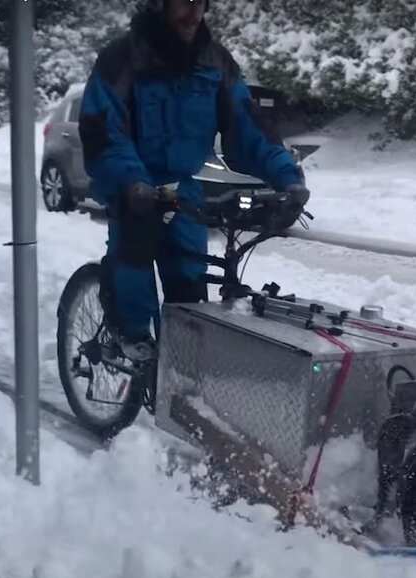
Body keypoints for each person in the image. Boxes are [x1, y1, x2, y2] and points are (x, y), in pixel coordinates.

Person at [78, 0, 310, 362]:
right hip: (131, 182)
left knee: (187, 272)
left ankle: (179, 359)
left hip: (174, 188)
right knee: (135, 250)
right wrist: (132, 181)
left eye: (200, 4)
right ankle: (132, 336)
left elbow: (247, 127)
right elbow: (104, 132)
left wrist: (287, 177)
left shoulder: (214, 62)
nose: (193, 13)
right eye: (183, 3)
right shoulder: (123, 58)